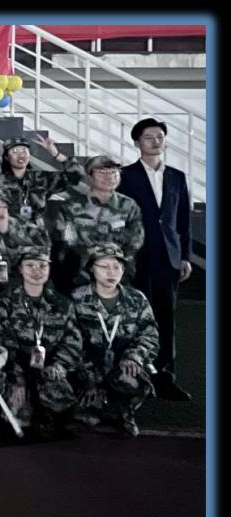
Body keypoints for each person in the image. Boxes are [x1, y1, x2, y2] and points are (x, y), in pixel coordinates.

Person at [117, 117, 193, 401]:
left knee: (165, 317)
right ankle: (135, 375)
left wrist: (184, 256)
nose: (156, 141)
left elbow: (183, 220)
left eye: (160, 136)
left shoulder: (177, 177)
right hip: (137, 257)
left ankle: (165, 376)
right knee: (135, 318)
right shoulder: (125, 175)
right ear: (137, 142)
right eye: (149, 137)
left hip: (169, 258)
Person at [0, 245, 82, 440]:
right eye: (30, 265)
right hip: (14, 366)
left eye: (42, 266)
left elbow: (72, 341)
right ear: (20, 269)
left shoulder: (62, 303)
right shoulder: (6, 300)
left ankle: (46, 416)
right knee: (18, 413)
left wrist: (59, 365)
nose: (36, 271)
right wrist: (16, 377)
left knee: (63, 400)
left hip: (46, 366)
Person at [70, 244, 160, 437]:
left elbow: (149, 335)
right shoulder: (77, 299)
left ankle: (122, 411)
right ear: (92, 268)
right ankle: (93, 406)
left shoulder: (137, 299)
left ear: (123, 270)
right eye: (104, 266)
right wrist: (90, 378)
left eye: (117, 267)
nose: (111, 272)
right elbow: (69, 342)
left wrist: (134, 357)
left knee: (133, 379)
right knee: (75, 408)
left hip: (121, 365)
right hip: (87, 368)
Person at [51, 154, 144, 294]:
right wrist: (88, 256)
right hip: (79, 274)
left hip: (116, 274)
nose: (110, 178)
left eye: (114, 173)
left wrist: (115, 259)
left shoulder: (128, 205)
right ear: (89, 176)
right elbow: (66, 237)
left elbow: (136, 239)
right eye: (102, 173)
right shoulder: (72, 206)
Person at [0, 135, 84, 226]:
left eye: (24, 151)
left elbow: (75, 175)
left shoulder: (41, 178)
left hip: (36, 232)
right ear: (6, 157)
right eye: (15, 151)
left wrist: (56, 154)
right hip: (7, 231)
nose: (21, 155)